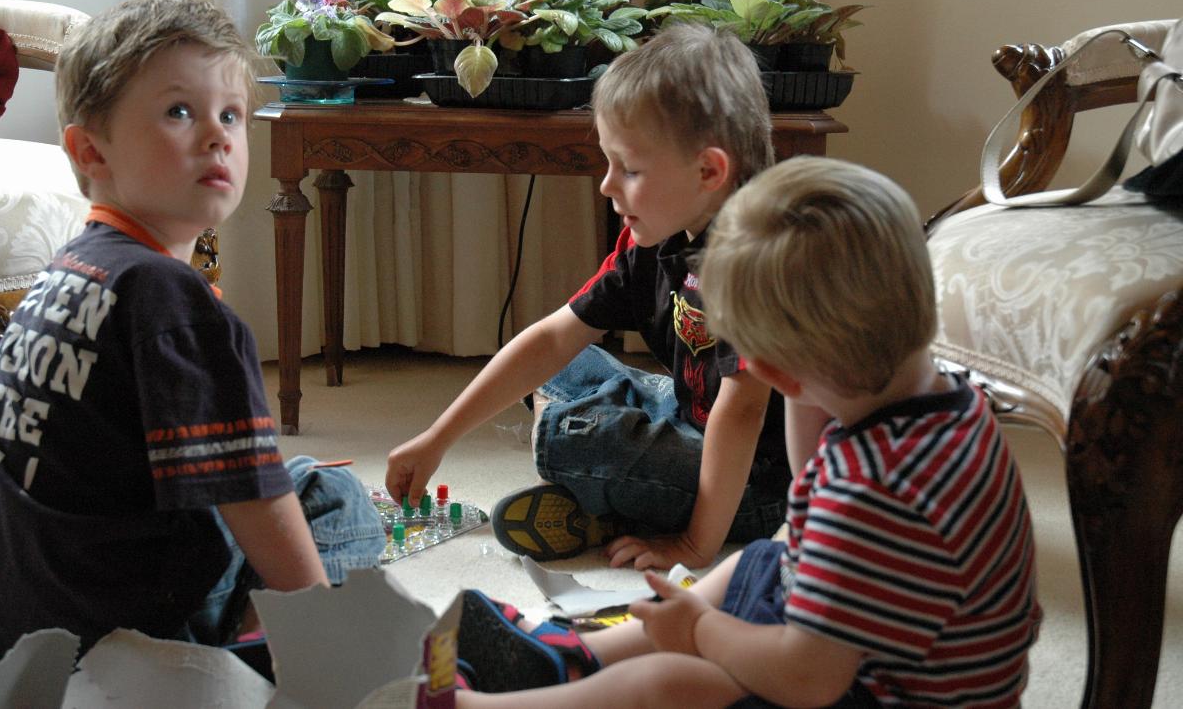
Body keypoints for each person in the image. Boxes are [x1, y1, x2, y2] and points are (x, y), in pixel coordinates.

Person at [437, 157, 1043, 708]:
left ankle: (481, 708)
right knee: (756, 562)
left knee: (672, 685)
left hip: (874, 689)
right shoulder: (951, 402)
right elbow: (807, 492)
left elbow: (809, 679)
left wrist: (699, 633)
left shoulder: (870, 493)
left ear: (778, 374)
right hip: (877, 649)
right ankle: (571, 658)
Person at [0, 0, 384, 685]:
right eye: (180, 111)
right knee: (330, 496)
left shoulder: (70, 268)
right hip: (121, 655)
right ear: (91, 150)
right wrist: (329, 645)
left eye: (230, 115)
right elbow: (254, 495)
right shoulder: (172, 298)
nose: (218, 136)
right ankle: (254, 660)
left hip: (5, 651)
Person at [386, 24, 790, 571]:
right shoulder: (654, 238)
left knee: (579, 439)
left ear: (709, 171)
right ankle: (609, 483)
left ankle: (612, 501)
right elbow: (556, 337)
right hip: (688, 409)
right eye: (607, 162)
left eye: (629, 168)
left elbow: (741, 414)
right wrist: (439, 437)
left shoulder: (753, 264)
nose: (606, 185)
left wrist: (696, 547)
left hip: (757, 481)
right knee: (561, 365)